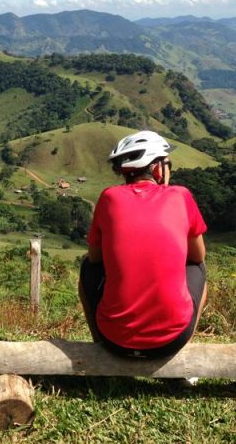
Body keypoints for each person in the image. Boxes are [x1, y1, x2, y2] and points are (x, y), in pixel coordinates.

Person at [79, 130, 208, 359]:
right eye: (168, 164)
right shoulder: (181, 195)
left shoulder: (109, 197)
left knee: (88, 267)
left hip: (114, 341)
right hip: (171, 342)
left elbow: (95, 258)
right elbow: (198, 256)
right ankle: (184, 353)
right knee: (198, 267)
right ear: (158, 169)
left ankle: (99, 348)